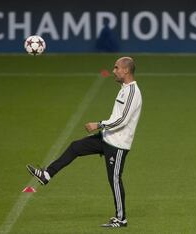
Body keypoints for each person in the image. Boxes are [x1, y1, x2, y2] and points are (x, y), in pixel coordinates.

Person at [26, 56, 142, 228]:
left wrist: (99, 124)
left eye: (116, 67)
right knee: (76, 147)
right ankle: (47, 175)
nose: (113, 71)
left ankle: (121, 218)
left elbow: (123, 120)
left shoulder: (133, 92)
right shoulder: (124, 88)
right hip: (107, 137)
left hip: (118, 144)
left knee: (115, 179)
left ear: (126, 70)